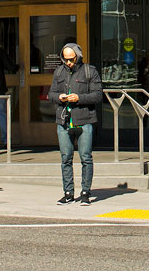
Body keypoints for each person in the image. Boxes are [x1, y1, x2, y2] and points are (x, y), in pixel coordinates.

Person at [49, 42, 103, 206]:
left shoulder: (89, 71)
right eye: (65, 59)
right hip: (64, 120)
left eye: (71, 59)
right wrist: (59, 97)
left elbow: (98, 95)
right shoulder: (59, 71)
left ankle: (85, 192)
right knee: (65, 158)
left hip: (84, 119)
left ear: (78, 56)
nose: (68, 63)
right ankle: (68, 193)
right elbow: (51, 93)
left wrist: (79, 98)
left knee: (85, 157)